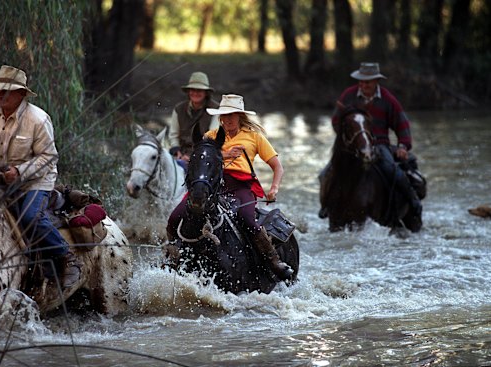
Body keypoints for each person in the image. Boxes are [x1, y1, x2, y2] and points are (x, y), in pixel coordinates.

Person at [166, 94, 293, 281]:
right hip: (212, 184)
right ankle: (171, 256)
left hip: (241, 187)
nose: (228, 119)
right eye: (224, 115)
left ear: (240, 116)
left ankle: (273, 261)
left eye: (232, 114)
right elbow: (203, 158)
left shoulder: (254, 137)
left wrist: (273, 189)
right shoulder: (210, 136)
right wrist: (224, 154)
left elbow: (277, 166)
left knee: (247, 220)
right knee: (175, 217)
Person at [0, 65, 81, 288]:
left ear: (22, 94)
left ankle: (66, 256)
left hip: (35, 182)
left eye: (7, 90)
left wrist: (19, 172)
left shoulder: (38, 119)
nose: (0, 94)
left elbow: (48, 157)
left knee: (30, 217)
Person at [320, 62, 422, 218]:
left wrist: (403, 146)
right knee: (325, 173)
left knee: (393, 171)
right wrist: (347, 139)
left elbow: (402, 124)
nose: (363, 84)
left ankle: (413, 202)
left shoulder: (388, 99)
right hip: (352, 146)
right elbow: (336, 120)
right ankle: (326, 206)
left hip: (379, 144)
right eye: (361, 81)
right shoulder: (348, 95)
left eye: (367, 81)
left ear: (376, 81)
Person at [168, 71, 219, 169]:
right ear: (188, 92)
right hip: (181, 155)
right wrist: (177, 152)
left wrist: (194, 156)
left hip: (205, 154)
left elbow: (212, 137)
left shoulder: (216, 110)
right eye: (192, 90)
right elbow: (173, 135)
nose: (195, 93)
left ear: (206, 93)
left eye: (199, 90)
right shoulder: (179, 109)